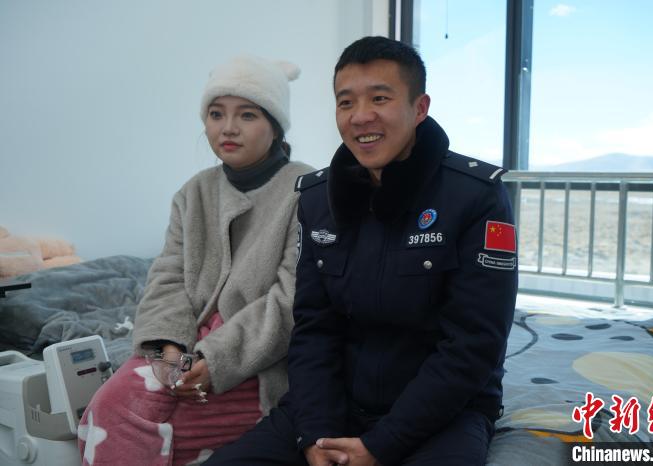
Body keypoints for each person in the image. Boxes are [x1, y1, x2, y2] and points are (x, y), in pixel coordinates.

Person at [205, 36, 518, 466]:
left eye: (380, 98)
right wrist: (317, 434)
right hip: (334, 407)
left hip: (441, 416)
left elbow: (474, 346)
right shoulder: (318, 200)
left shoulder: (476, 197)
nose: (360, 116)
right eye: (346, 102)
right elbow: (313, 329)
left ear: (420, 108)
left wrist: (382, 445)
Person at [77, 55, 314, 466]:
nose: (228, 128)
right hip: (183, 347)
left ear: (275, 125)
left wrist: (214, 360)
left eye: (247, 115)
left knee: (145, 429)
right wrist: (168, 351)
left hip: (256, 360)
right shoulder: (193, 193)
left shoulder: (307, 190)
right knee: (109, 407)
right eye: (216, 114)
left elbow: (290, 301)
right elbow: (167, 278)